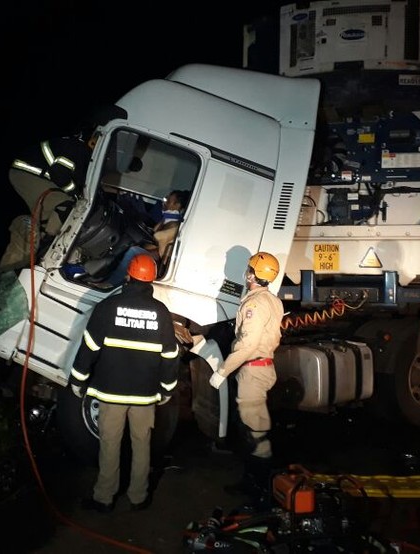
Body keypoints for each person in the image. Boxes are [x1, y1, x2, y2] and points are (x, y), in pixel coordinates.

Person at [70, 253, 180, 512]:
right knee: (142, 445)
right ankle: (138, 497)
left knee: (110, 444)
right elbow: (170, 356)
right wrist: (167, 390)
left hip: (111, 394)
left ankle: (104, 498)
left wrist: (78, 380)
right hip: (144, 397)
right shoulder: (161, 313)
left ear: (128, 276)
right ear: (151, 281)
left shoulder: (108, 307)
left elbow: (89, 348)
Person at [208, 252, 284, 494]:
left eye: (249, 268)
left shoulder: (253, 304)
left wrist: (222, 370)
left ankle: (259, 488)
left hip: (252, 370)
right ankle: (255, 482)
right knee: (253, 427)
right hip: (262, 367)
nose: (246, 273)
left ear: (252, 274)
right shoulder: (272, 300)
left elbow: (248, 344)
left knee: (255, 432)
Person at [0, 132, 95, 274]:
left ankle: (42, 241)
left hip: (32, 175)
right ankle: (48, 244)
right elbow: (59, 172)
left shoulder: (84, 157)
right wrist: (75, 194)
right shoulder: (78, 148)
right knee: (66, 205)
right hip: (28, 172)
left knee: (50, 215)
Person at [98, 189, 191, 287]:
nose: (164, 202)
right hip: (150, 251)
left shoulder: (174, 226)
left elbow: (162, 248)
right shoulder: (167, 221)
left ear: (177, 205)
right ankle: (108, 275)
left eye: (168, 201)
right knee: (128, 243)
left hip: (156, 259)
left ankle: (111, 283)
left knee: (133, 250)